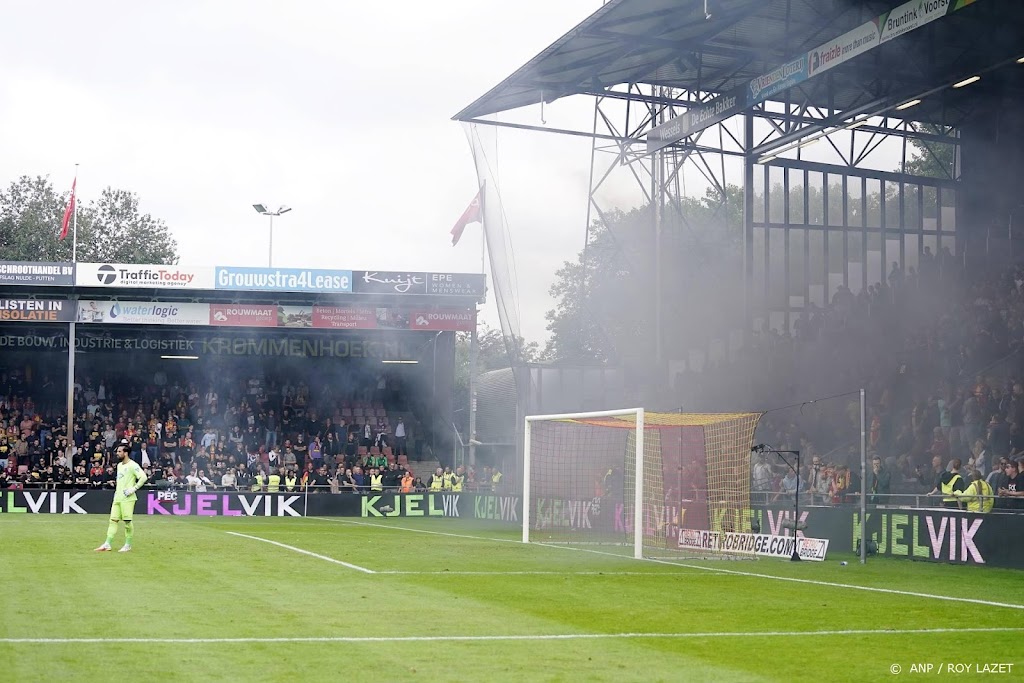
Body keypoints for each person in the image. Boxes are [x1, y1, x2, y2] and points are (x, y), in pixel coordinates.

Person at [95, 440, 148, 553]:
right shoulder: (119, 465)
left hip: (128, 498)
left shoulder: (133, 465)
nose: (117, 453)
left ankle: (128, 544)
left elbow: (143, 477)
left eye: (119, 451)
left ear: (126, 453)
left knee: (127, 522)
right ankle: (107, 544)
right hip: (118, 497)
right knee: (113, 520)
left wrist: (133, 488)